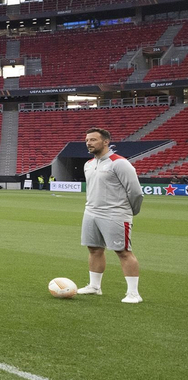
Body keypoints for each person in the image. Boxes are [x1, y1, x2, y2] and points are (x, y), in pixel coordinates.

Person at [77, 127, 145, 303]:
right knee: (94, 249)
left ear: (106, 142)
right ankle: (94, 286)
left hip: (115, 213)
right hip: (91, 212)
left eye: (93, 140)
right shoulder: (89, 164)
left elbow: (136, 192)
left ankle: (133, 293)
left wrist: (130, 211)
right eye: (87, 140)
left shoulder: (119, 163)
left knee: (123, 251)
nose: (88, 143)